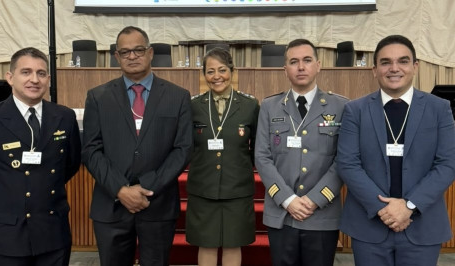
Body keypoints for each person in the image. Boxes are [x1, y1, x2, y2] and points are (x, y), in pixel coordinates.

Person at [336, 35, 455, 266]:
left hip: (422, 226)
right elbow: (348, 164)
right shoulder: (355, 110)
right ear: (374, 70)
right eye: (385, 62)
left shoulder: (439, 109)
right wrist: (385, 209)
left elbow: (447, 165)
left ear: (415, 67)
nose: (394, 68)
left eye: (402, 61)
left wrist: (409, 206)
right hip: (369, 225)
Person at [0, 47, 82, 266]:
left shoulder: (64, 116)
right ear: (10, 77)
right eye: (26, 72)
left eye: (41, 73)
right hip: (9, 231)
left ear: (48, 79)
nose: (34, 79)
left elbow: (70, 164)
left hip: (53, 230)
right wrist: (5, 196)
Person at [82, 26, 192, 266]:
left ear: (150, 53)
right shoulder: (98, 97)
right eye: (125, 52)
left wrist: (147, 187)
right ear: (116, 57)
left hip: (157, 205)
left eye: (138, 50)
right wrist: (121, 190)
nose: (132, 56)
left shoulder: (178, 96)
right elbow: (91, 150)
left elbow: (183, 149)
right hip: (111, 205)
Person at [255, 39, 348, 266]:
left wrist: (315, 200)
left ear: (318, 65)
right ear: (285, 69)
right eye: (294, 62)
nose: (301, 67)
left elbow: (343, 160)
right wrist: (287, 200)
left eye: (307, 60)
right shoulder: (270, 106)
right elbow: (262, 157)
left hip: (322, 215)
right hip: (282, 213)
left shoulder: (341, 107)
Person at [186, 48, 259, 266]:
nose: (216, 76)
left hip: (237, 188)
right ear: (204, 75)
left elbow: (256, 148)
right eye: (210, 71)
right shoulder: (193, 105)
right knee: (206, 243)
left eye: (222, 70)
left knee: (233, 243)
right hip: (203, 187)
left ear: (232, 71)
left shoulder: (249, 105)